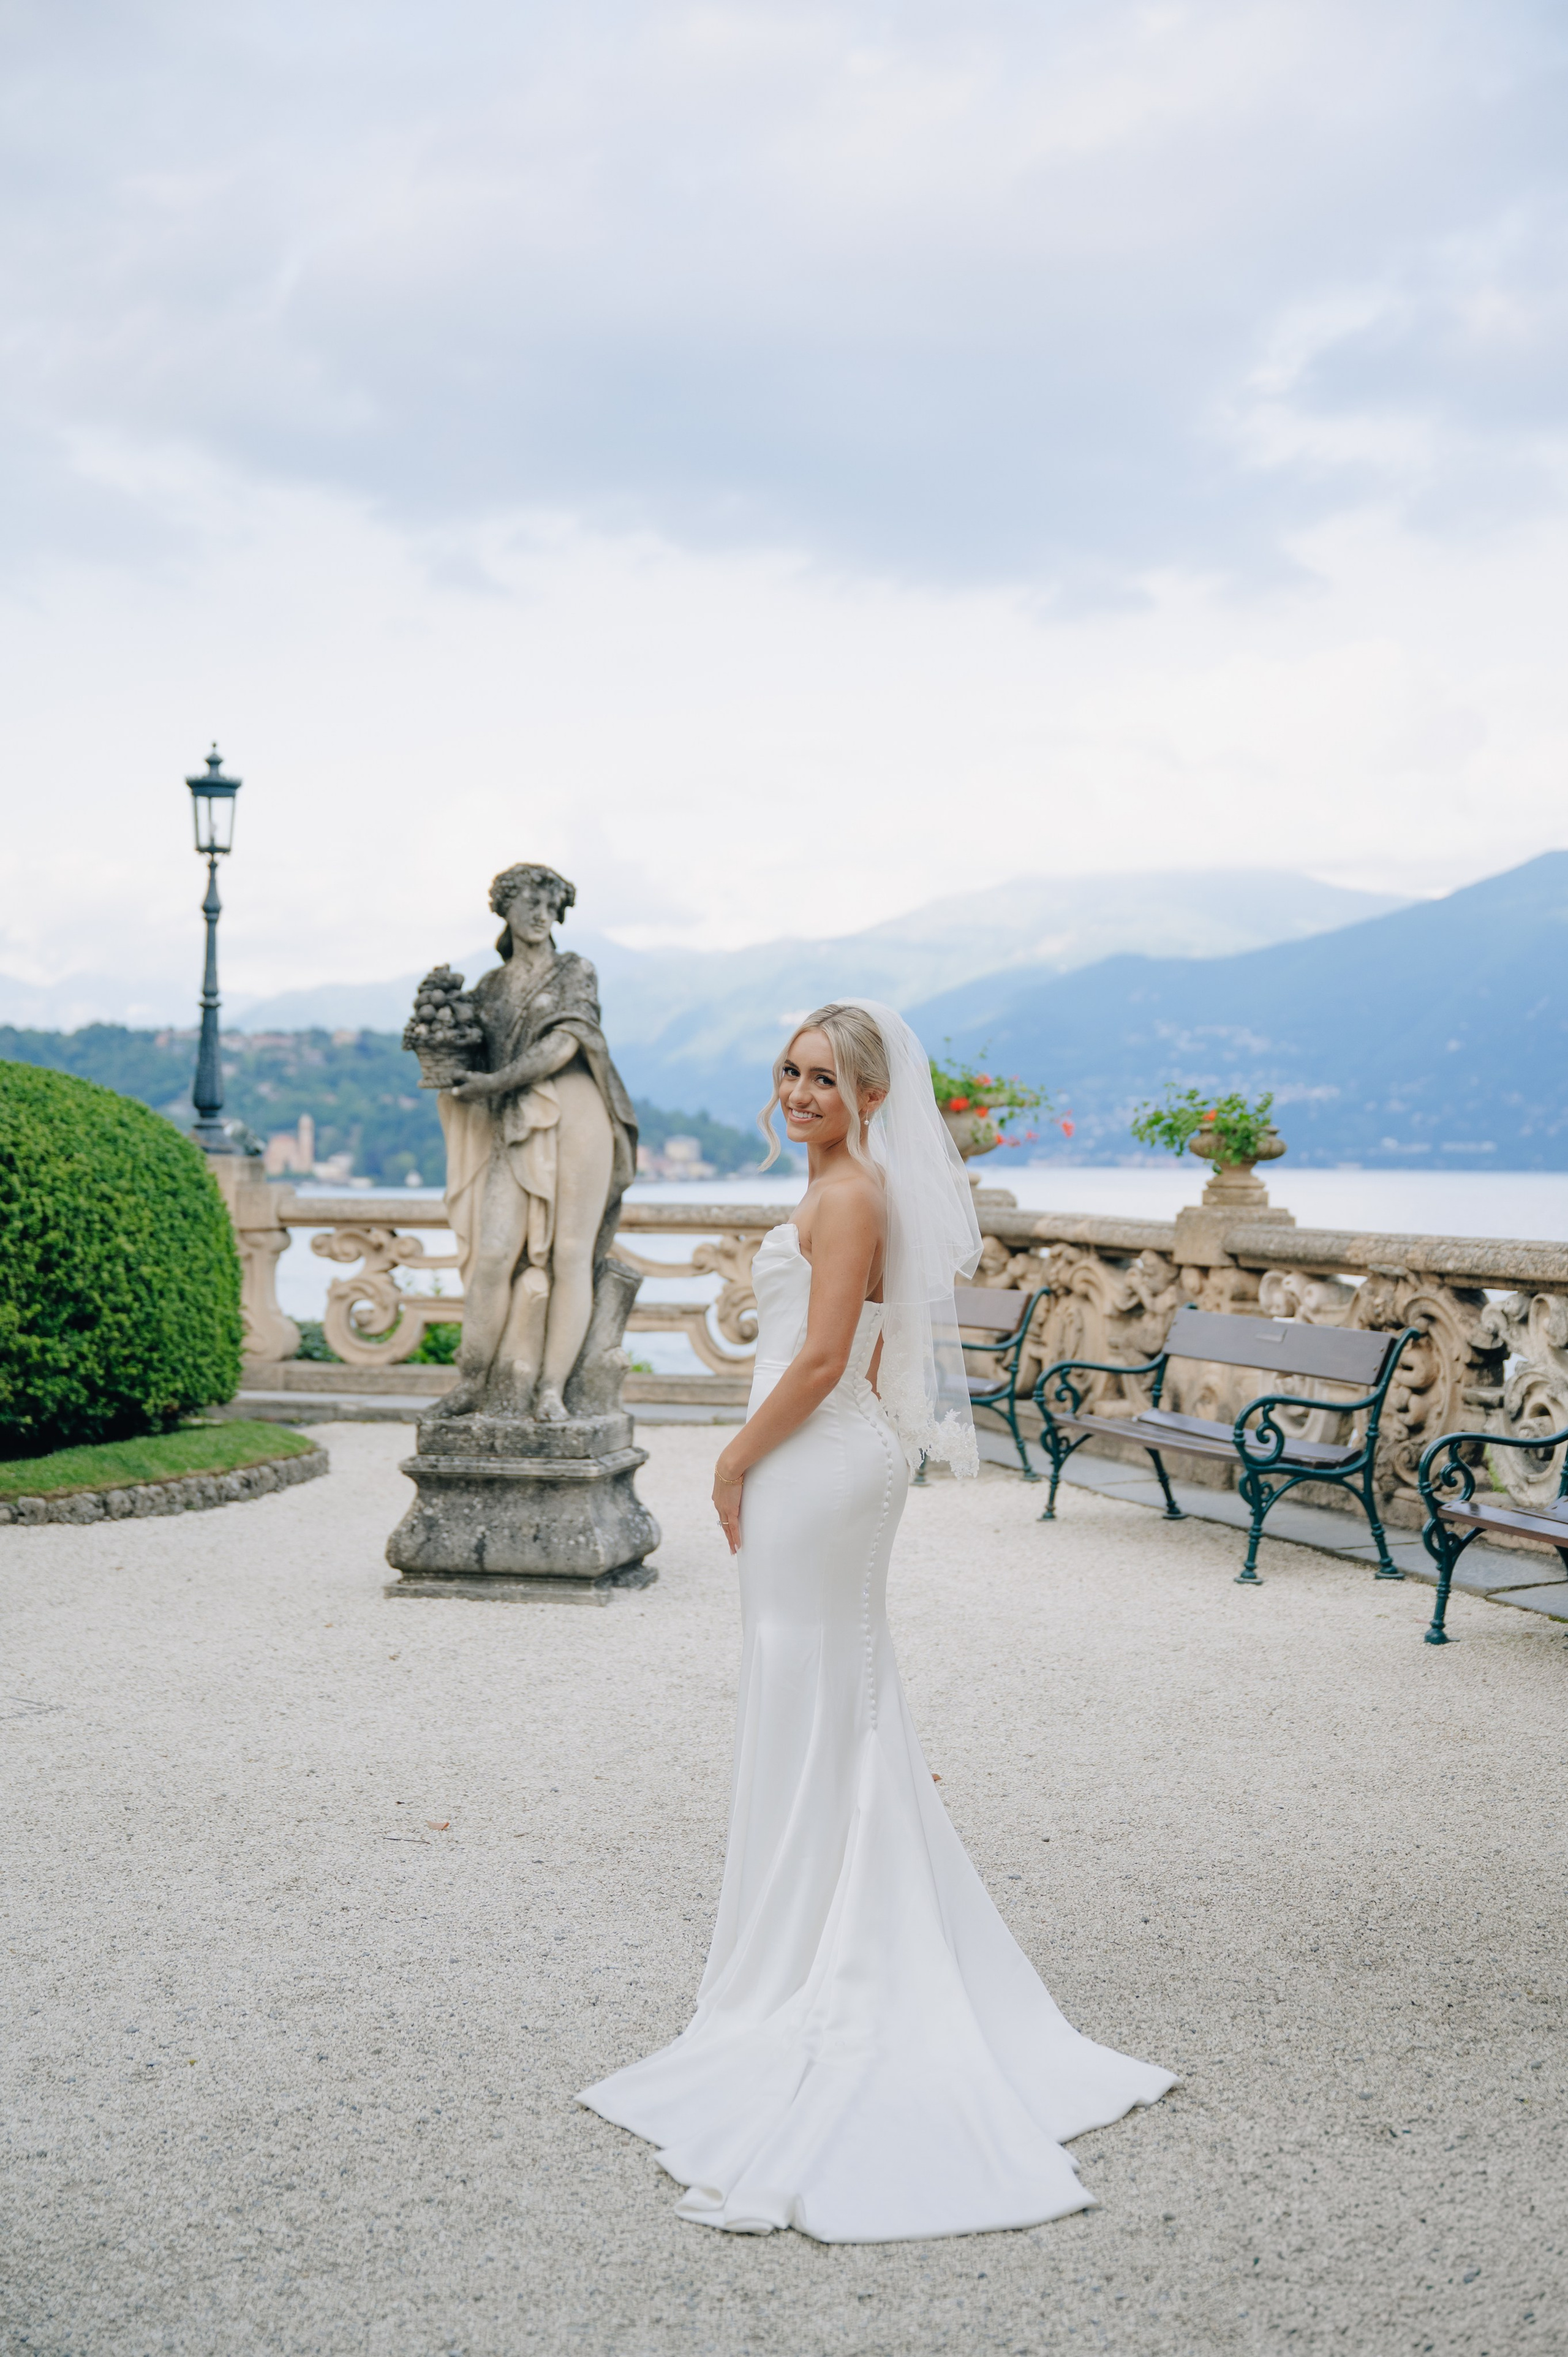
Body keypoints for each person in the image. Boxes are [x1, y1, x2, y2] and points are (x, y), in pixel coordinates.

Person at [578, 999, 1174, 2241]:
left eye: (824, 1078)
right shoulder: (832, 1182)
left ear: (870, 1096)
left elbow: (821, 1362)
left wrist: (733, 1460)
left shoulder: (851, 1194)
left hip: (818, 1456)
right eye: (789, 1071)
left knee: (817, 1687)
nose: (800, 1093)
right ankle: (805, 1939)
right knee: (817, 1692)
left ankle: (836, 1959)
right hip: (813, 1454)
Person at [435, 864, 636, 1421]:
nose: (542, 914)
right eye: (530, 902)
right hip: (516, 1119)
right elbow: (468, 1055)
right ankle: (473, 1380)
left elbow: (564, 1045)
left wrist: (493, 1082)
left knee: (571, 1253)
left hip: (578, 1113)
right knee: (495, 1253)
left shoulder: (575, 970)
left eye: (551, 905)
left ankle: (551, 1388)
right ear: (505, 908)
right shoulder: (490, 988)